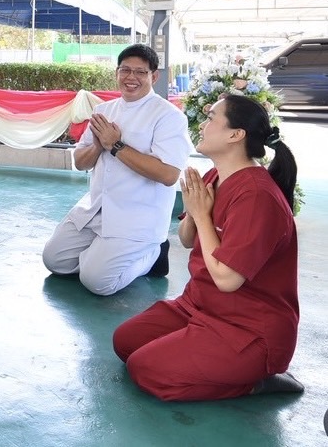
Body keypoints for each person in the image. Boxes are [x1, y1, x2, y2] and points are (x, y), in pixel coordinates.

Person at [112, 94, 301, 401]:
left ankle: (259, 379)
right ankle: (205, 354)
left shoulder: (257, 196)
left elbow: (227, 280)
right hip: (199, 306)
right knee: (125, 341)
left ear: (235, 135)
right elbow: (188, 240)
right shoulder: (214, 176)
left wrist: (201, 215)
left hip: (247, 329)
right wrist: (193, 207)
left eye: (212, 117)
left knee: (145, 369)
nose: (203, 123)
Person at [42, 43, 190, 296]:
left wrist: (115, 145)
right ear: (117, 73)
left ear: (154, 76)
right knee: (54, 261)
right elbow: (80, 162)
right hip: (96, 206)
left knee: (97, 282)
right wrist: (99, 145)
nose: (131, 78)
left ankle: (153, 253)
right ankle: (104, 251)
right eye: (125, 70)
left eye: (141, 72)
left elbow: (168, 175)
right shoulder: (103, 111)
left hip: (137, 214)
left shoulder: (168, 116)